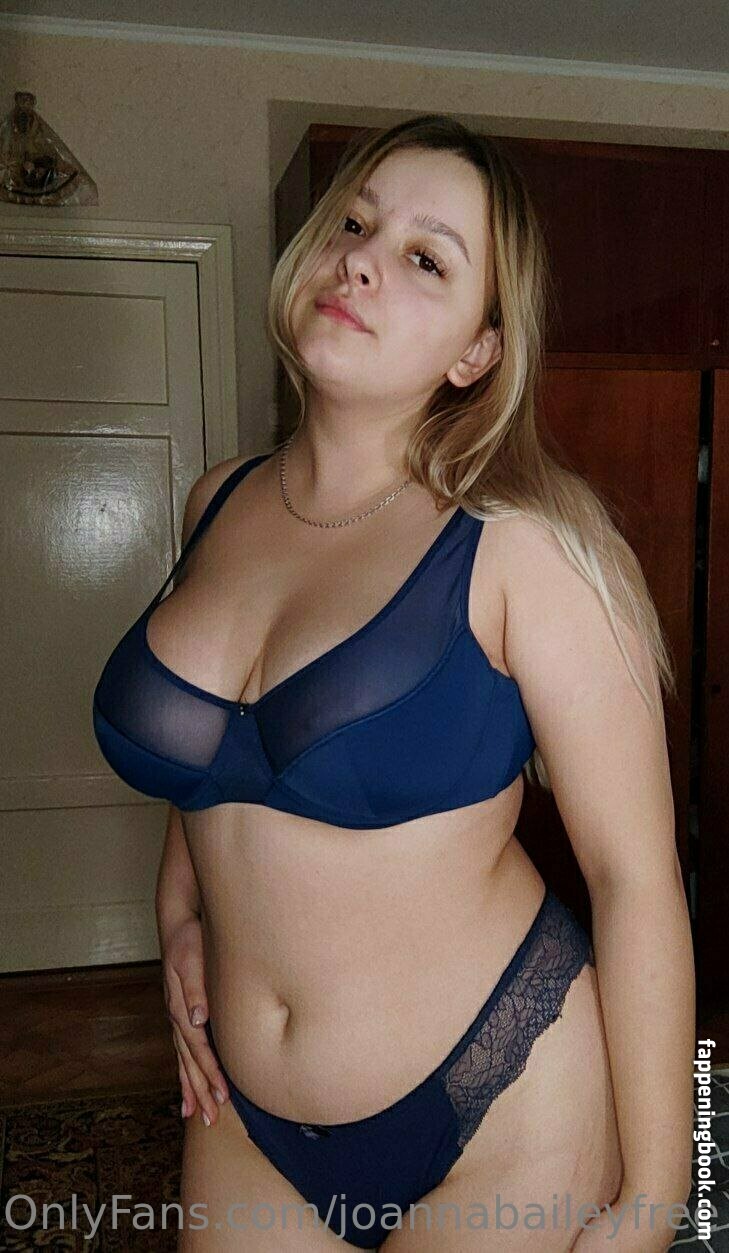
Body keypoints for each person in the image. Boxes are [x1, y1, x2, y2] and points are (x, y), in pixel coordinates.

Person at [93, 115, 695, 1250]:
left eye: (426, 257)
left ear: (477, 352)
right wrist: (180, 915)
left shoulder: (526, 546)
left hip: (501, 1102)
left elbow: (634, 878)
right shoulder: (217, 500)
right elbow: (211, 759)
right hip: (243, 1112)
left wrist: (658, 1197)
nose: (361, 259)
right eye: (354, 224)